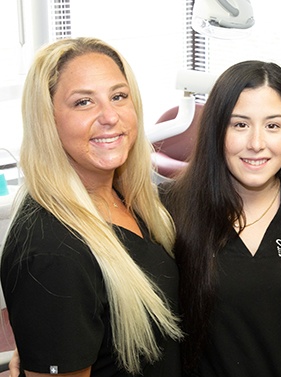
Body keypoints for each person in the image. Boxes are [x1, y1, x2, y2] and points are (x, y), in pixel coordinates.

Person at [0, 37, 183, 377]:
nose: (110, 116)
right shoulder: (53, 252)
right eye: (83, 102)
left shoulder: (125, 196)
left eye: (118, 96)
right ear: (47, 120)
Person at [161, 60, 281, 377]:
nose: (256, 144)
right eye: (240, 125)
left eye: (273, 126)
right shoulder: (172, 208)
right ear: (216, 129)